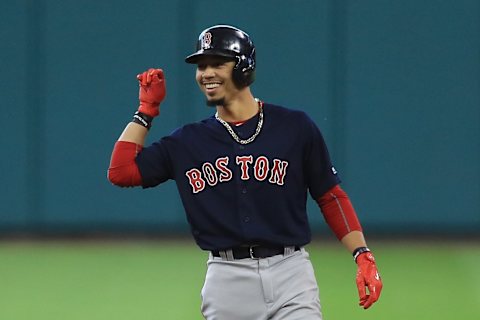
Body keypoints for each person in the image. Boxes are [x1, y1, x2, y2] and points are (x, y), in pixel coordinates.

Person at [108, 24, 382, 320]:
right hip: (227, 280)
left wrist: (362, 254)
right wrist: (146, 110)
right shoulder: (187, 142)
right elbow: (121, 171)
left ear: (243, 67)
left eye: (217, 63)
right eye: (201, 66)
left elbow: (330, 196)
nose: (206, 73)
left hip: (290, 272)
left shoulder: (294, 127)